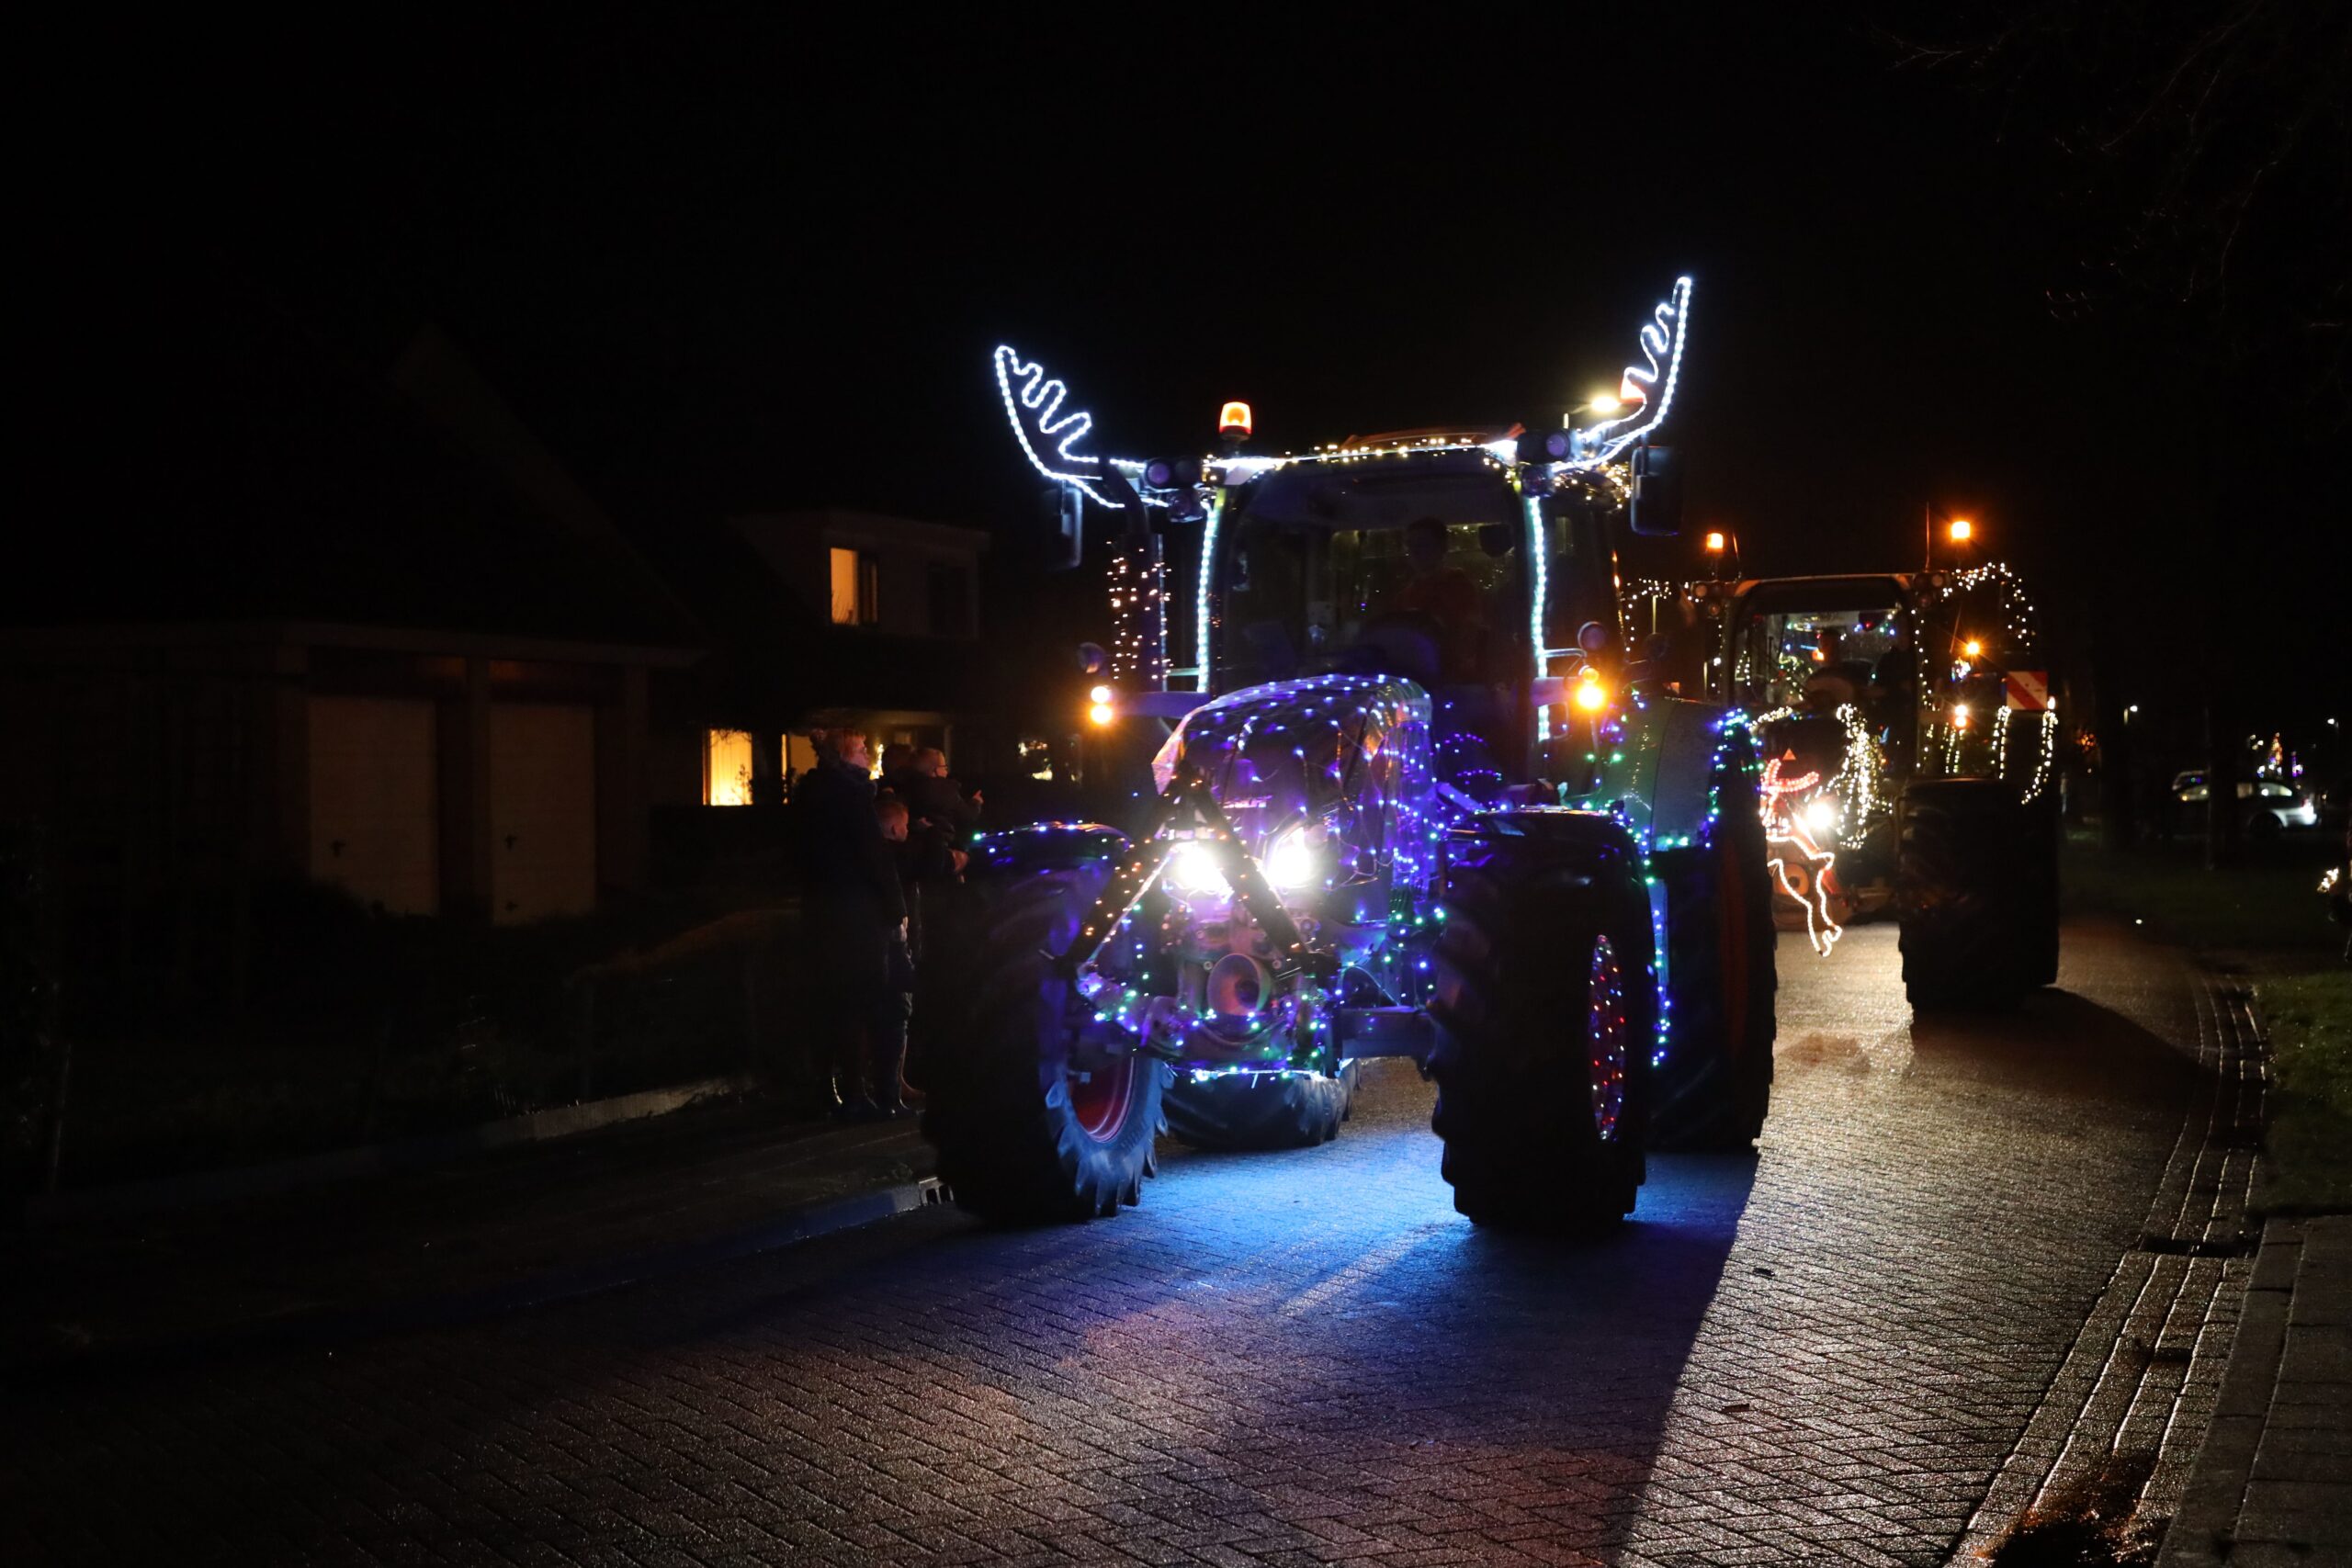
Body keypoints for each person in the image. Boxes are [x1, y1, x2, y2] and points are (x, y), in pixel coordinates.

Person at [793, 727, 908, 1119]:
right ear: (843, 756)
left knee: (829, 1002)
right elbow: (874, 855)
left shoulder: (810, 794)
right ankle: (859, 1093)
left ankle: (828, 1090)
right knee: (860, 1001)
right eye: (860, 749)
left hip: (822, 909)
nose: (867, 756)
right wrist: (896, 908)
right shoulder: (852, 795)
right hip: (857, 913)